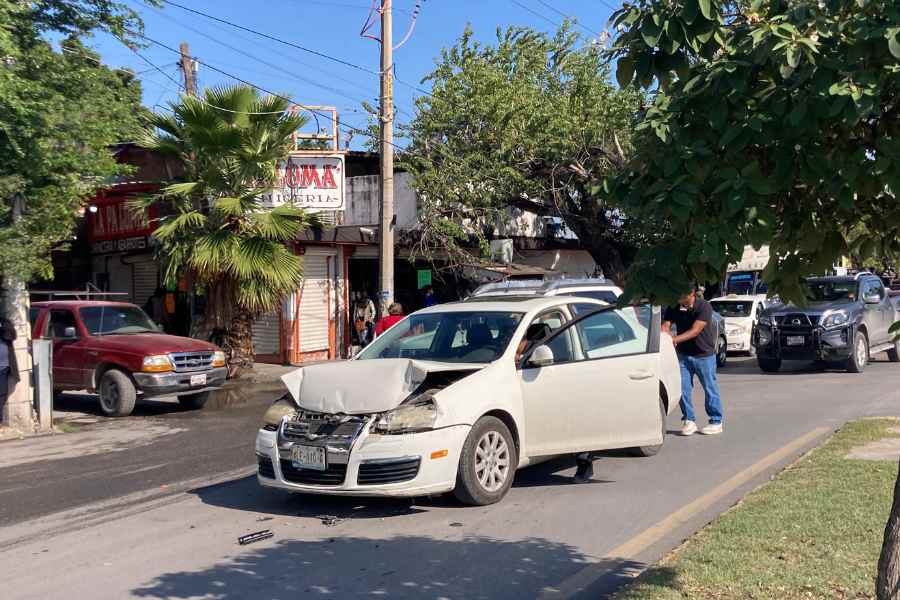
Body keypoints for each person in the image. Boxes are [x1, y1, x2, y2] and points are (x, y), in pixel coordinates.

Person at [663, 283, 724, 436]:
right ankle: (689, 420)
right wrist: (665, 334)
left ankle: (716, 421)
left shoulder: (704, 306)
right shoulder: (674, 306)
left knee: (710, 388)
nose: (678, 297)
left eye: (681, 294)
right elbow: (665, 326)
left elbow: (695, 331)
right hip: (683, 355)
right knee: (682, 388)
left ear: (691, 293)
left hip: (704, 355)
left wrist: (674, 339)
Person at [0, 317, 18, 424]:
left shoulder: (4, 323)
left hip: (3, 367)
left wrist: (2, 327)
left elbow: (12, 336)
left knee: (2, 393)